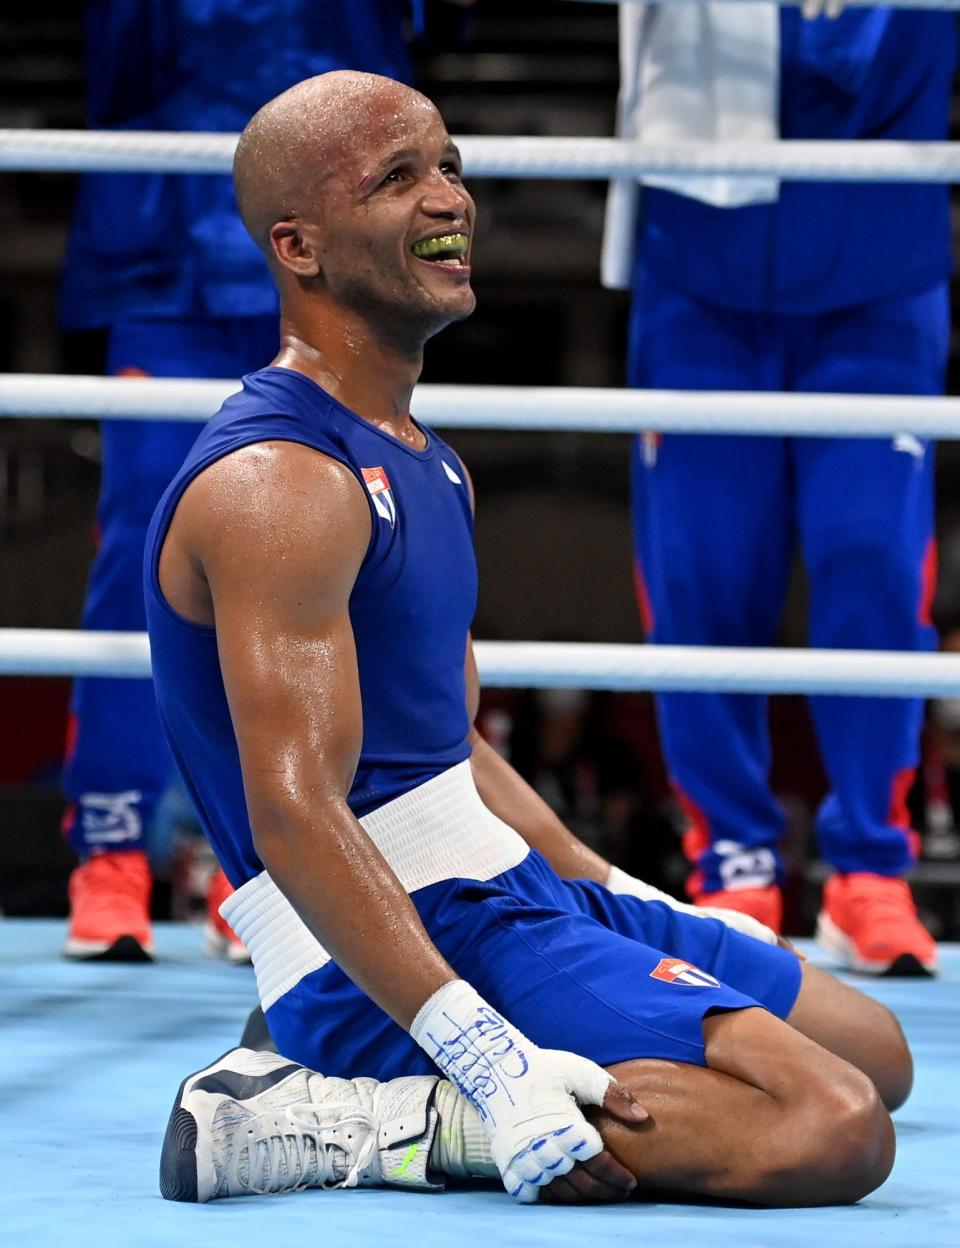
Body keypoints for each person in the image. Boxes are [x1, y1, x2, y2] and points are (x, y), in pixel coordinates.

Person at [146, 70, 910, 1208]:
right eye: (397, 177)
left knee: (875, 1053)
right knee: (828, 1125)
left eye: (448, 164)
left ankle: (415, 1053)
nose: (448, 197)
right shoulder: (279, 483)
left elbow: (454, 746)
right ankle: (364, 1118)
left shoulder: (422, 455)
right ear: (297, 247)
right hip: (386, 925)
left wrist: (607, 882)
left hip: (501, 884)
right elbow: (296, 816)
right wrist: (484, 1063)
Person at [59, 0, 473, 961]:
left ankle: (289, 877)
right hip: (165, 243)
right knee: (145, 555)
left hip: (344, 247)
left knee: (350, 560)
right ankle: (114, 850)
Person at [603, 4, 956, 973]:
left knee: (874, 566)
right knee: (702, 578)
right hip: (699, 258)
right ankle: (732, 863)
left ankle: (868, 873)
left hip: (880, 261)